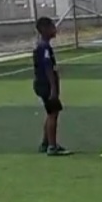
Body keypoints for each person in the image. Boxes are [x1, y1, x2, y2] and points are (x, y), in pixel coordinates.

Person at [34, 16, 71, 156]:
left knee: (50, 113)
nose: (55, 29)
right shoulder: (44, 47)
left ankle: (45, 143)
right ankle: (52, 146)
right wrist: (53, 89)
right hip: (46, 85)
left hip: (43, 84)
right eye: (52, 27)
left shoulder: (43, 46)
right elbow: (47, 68)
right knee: (53, 114)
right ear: (44, 29)